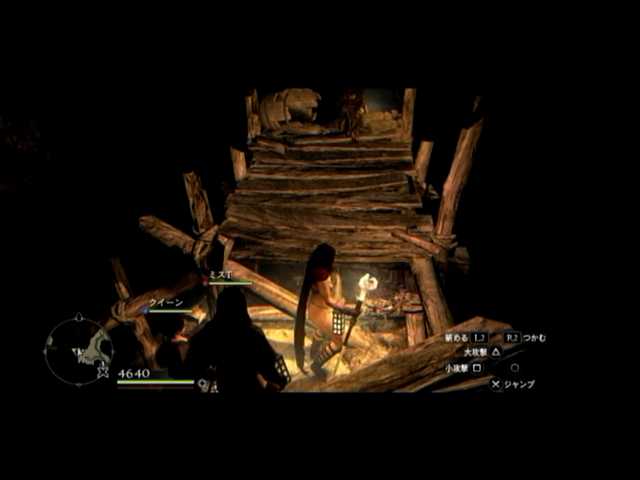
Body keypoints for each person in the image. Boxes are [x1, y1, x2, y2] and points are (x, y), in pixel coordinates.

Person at [184, 287, 289, 393]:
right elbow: (268, 366)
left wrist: (209, 374)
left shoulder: (210, 333)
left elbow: (191, 365)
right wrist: (279, 381)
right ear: (243, 308)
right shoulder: (252, 333)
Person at [295, 243, 362, 381]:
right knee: (338, 342)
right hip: (322, 312)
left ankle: (314, 351)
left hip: (317, 309)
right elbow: (328, 300)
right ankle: (316, 365)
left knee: (326, 329)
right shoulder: (322, 275)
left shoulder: (315, 268)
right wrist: (349, 311)